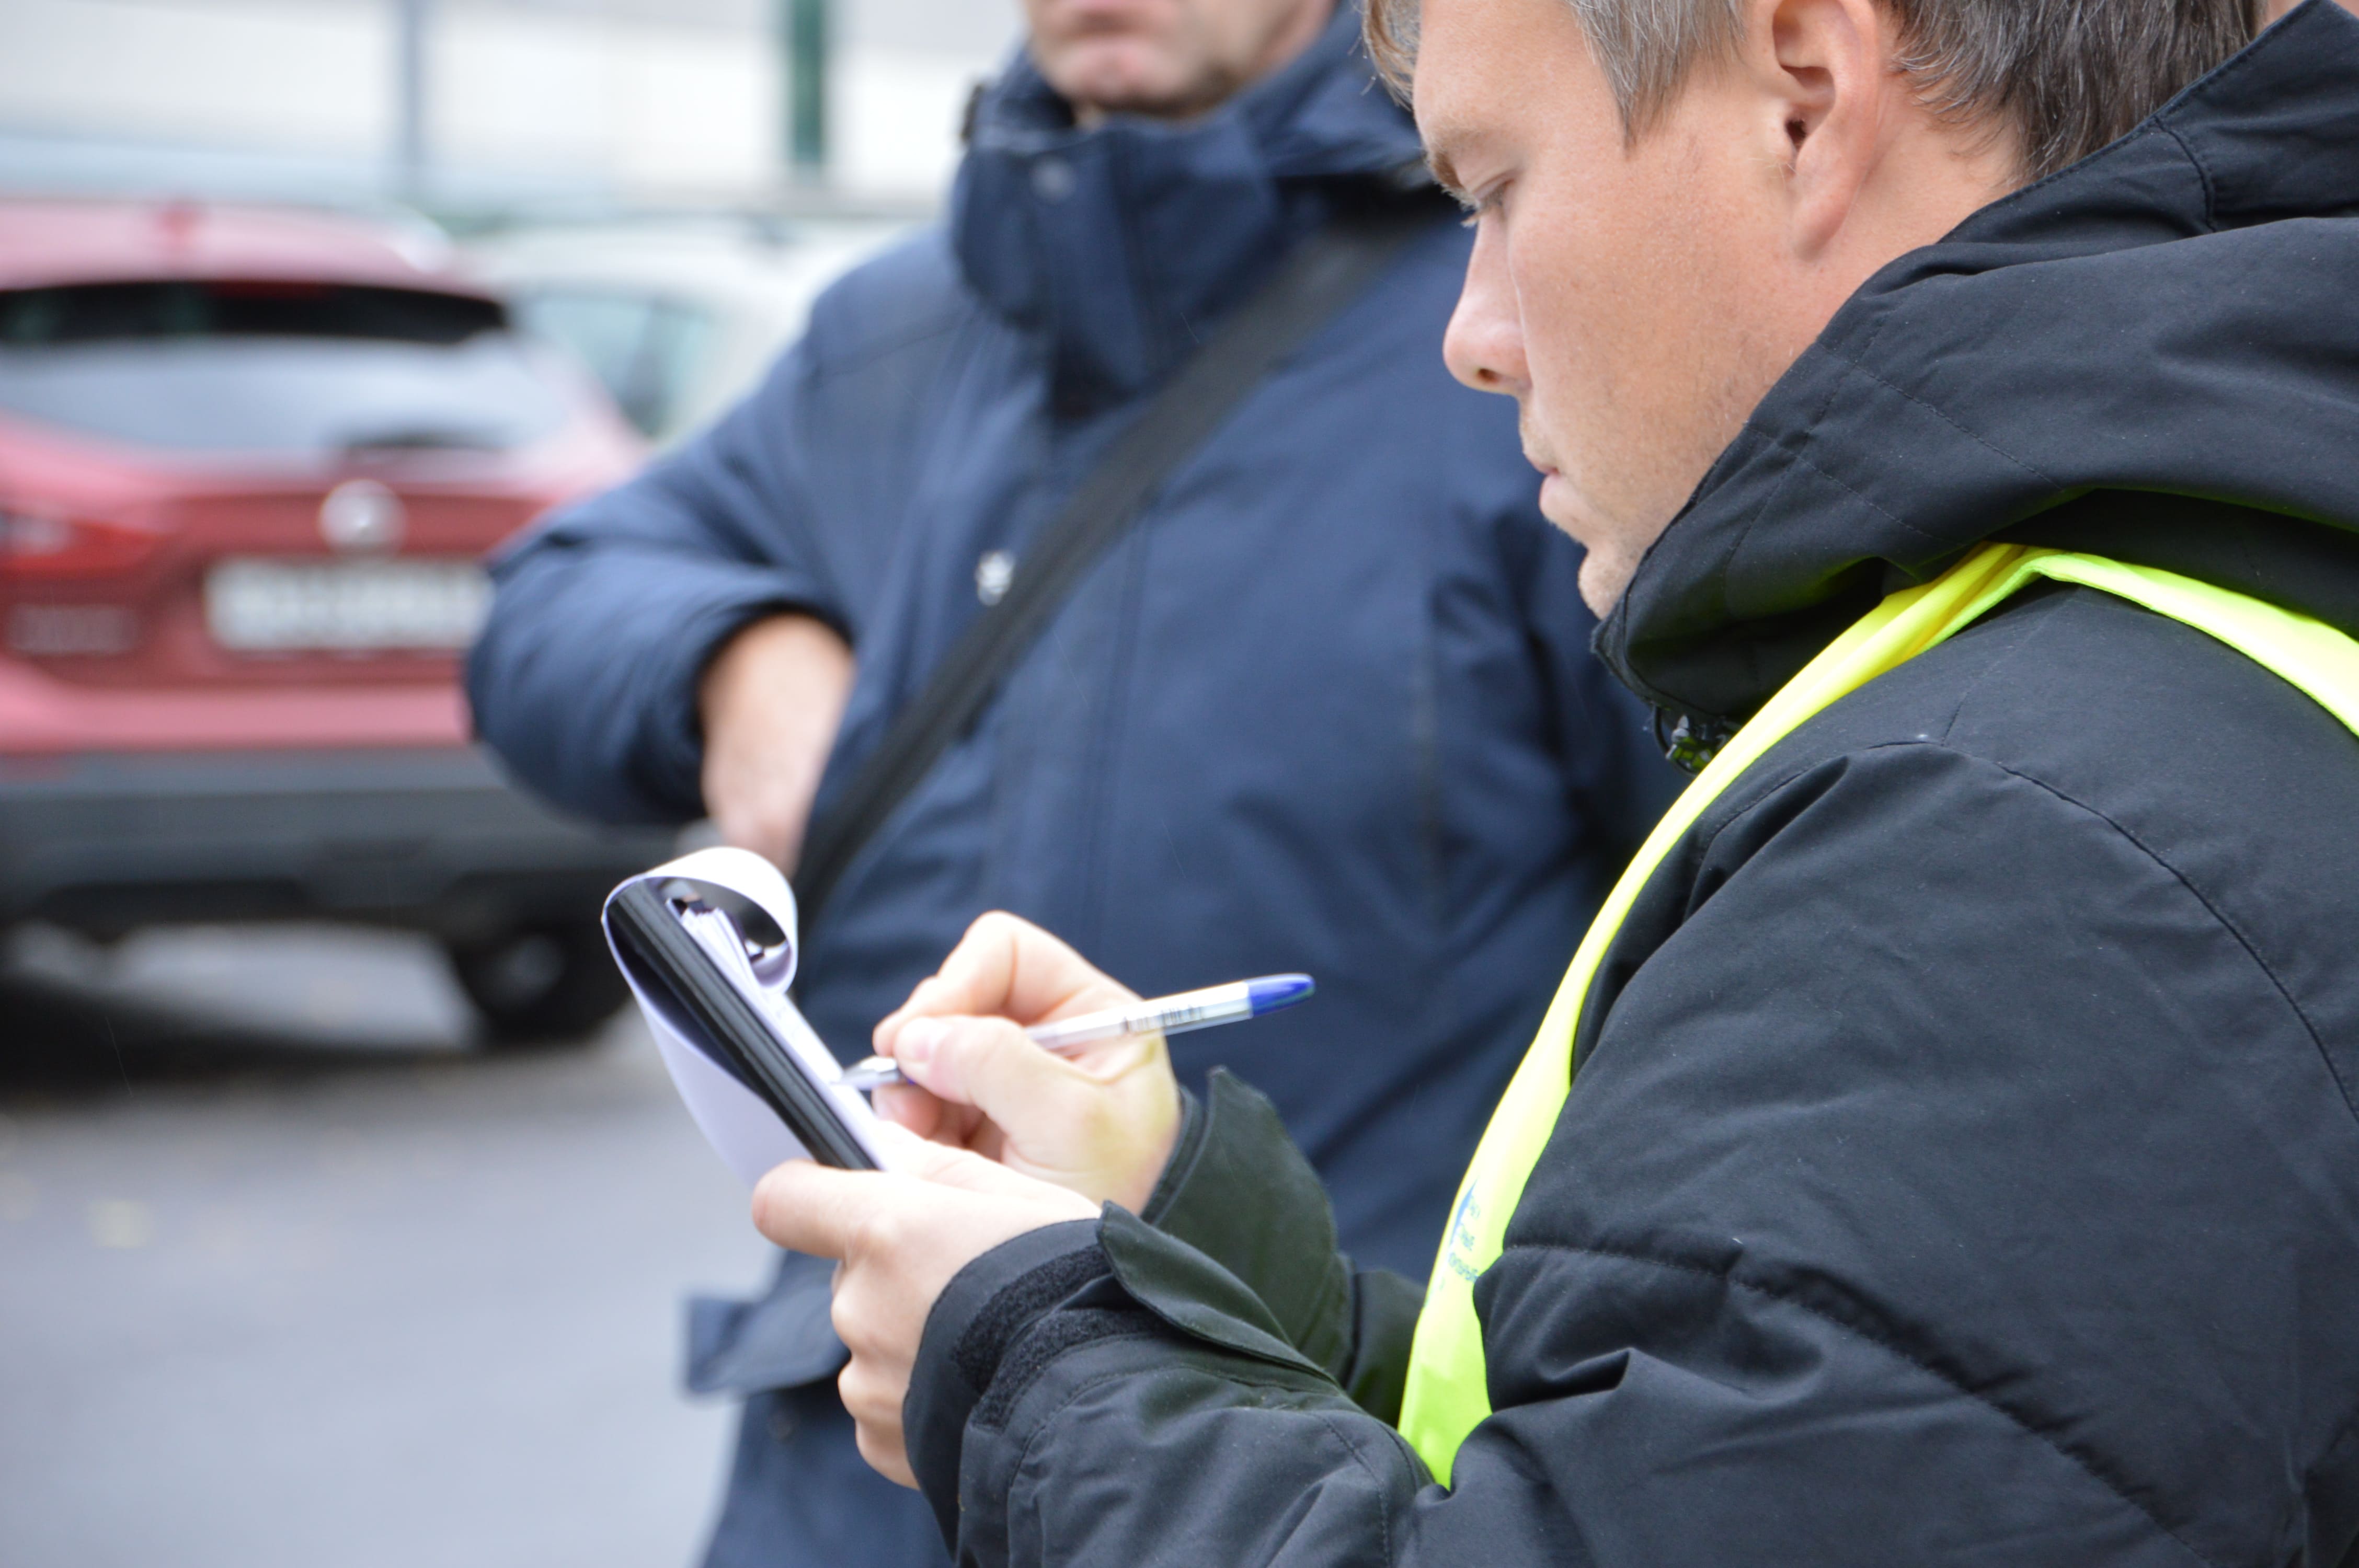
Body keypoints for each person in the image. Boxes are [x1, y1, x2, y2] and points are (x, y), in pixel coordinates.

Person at [749, 0, 2359, 1560]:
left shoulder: (2013, 862)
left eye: (1498, 191)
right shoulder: (2167, 646)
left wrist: (1042, 1366)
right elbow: (1722, 1454)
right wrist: (1185, 1245)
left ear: (1805, 92)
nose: (1473, 337)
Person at [465, 1, 1680, 1562]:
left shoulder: (1500, 347)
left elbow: (1723, 932)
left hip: (1283, 1469)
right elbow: (548, 600)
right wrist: (727, 656)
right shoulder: (895, 342)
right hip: (842, 1469)